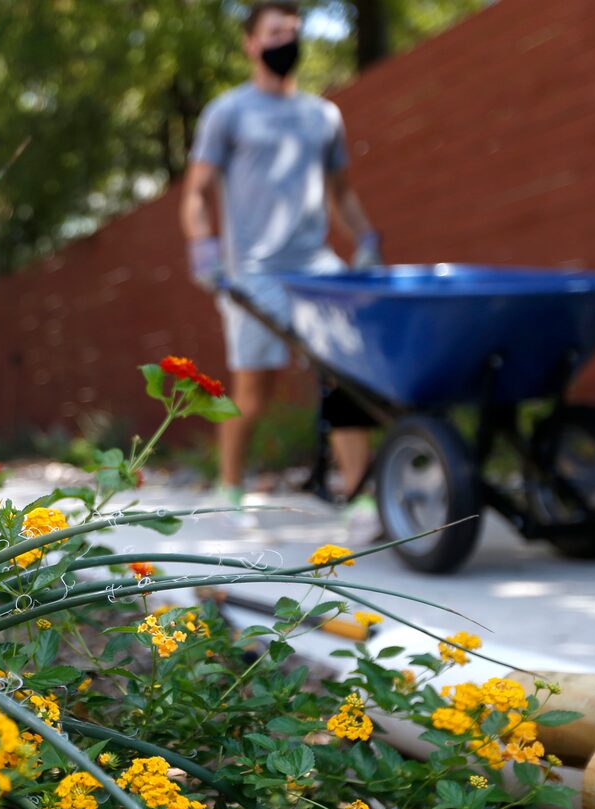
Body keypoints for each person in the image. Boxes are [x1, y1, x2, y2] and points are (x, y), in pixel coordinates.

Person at [179, 0, 381, 528]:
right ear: (250, 43)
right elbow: (197, 192)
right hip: (252, 271)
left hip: (317, 267)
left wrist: (365, 237)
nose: (285, 40)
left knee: (347, 376)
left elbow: (341, 193)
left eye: (293, 31)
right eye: (274, 32)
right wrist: (203, 248)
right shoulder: (229, 112)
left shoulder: (322, 115)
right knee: (253, 388)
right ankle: (229, 487)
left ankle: (358, 494)